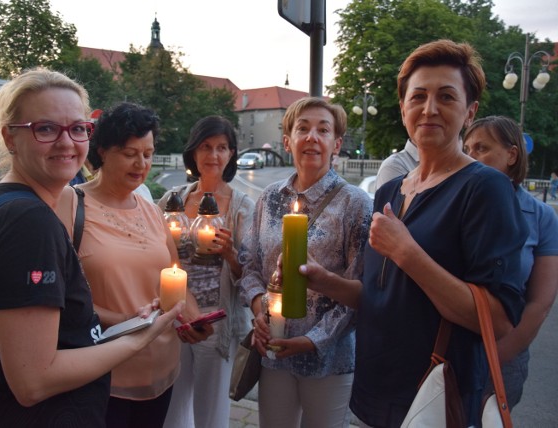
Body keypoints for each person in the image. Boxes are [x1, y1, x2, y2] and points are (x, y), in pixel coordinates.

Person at [296, 40, 528, 427]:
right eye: (417, 96)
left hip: (435, 395)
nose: (429, 108)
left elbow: (498, 319)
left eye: (446, 97)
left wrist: (408, 253)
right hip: (378, 387)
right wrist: (328, 283)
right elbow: (385, 298)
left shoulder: (485, 189)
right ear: (403, 107)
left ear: (469, 112)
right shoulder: (391, 190)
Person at [0, 68, 182, 427]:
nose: (66, 143)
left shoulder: (12, 205)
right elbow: (34, 380)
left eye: (77, 128)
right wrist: (138, 338)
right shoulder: (28, 222)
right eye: (45, 128)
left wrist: (129, 323)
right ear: (11, 138)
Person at [56, 102, 207, 428]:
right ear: (102, 152)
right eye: (129, 153)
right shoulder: (69, 205)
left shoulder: (151, 208)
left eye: (148, 154)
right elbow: (60, 297)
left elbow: (173, 271)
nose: (141, 164)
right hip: (103, 371)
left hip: (161, 369)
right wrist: (128, 322)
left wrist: (191, 316)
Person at [239, 97, 372, 427]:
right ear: (288, 141)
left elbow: (361, 290)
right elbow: (250, 264)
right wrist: (259, 311)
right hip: (274, 350)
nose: (312, 137)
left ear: (336, 144)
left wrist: (311, 341)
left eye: (323, 130)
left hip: (329, 358)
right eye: (303, 128)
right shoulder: (270, 198)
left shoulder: (356, 204)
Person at [159, 115, 255, 428]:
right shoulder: (174, 199)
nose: (213, 155)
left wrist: (229, 252)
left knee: (211, 413)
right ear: (193, 152)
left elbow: (252, 273)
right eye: (205, 147)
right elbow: (154, 253)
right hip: (176, 315)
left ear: (231, 154)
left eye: (221, 148)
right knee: (172, 408)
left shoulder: (242, 206)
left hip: (217, 322)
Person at [464, 115, 558, 408]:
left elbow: (540, 303)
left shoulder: (541, 217)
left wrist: (498, 354)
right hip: (444, 350)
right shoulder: (453, 202)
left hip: (504, 356)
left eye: (481, 148)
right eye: (466, 149)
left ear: (512, 155)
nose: (470, 157)